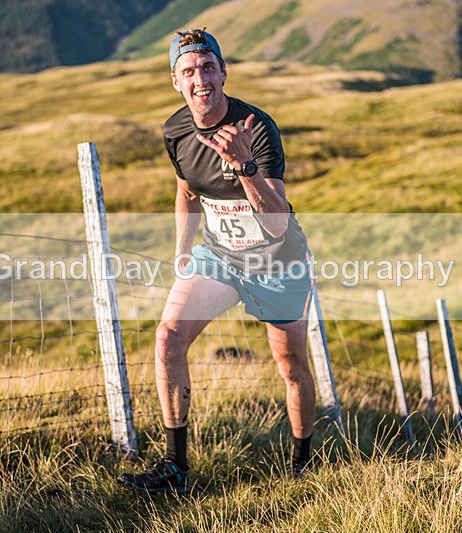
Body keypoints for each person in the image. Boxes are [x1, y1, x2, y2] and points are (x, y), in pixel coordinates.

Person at [117, 28, 317, 494]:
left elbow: (277, 225)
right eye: (189, 71)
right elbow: (187, 189)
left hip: (277, 262)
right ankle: (175, 469)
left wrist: (245, 165)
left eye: (208, 68)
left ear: (224, 72)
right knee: (167, 337)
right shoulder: (176, 131)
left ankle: (303, 463)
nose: (200, 79)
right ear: (175, 80)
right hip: (219, 257)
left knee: (290, 366)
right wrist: (183, 254)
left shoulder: (256, 127)